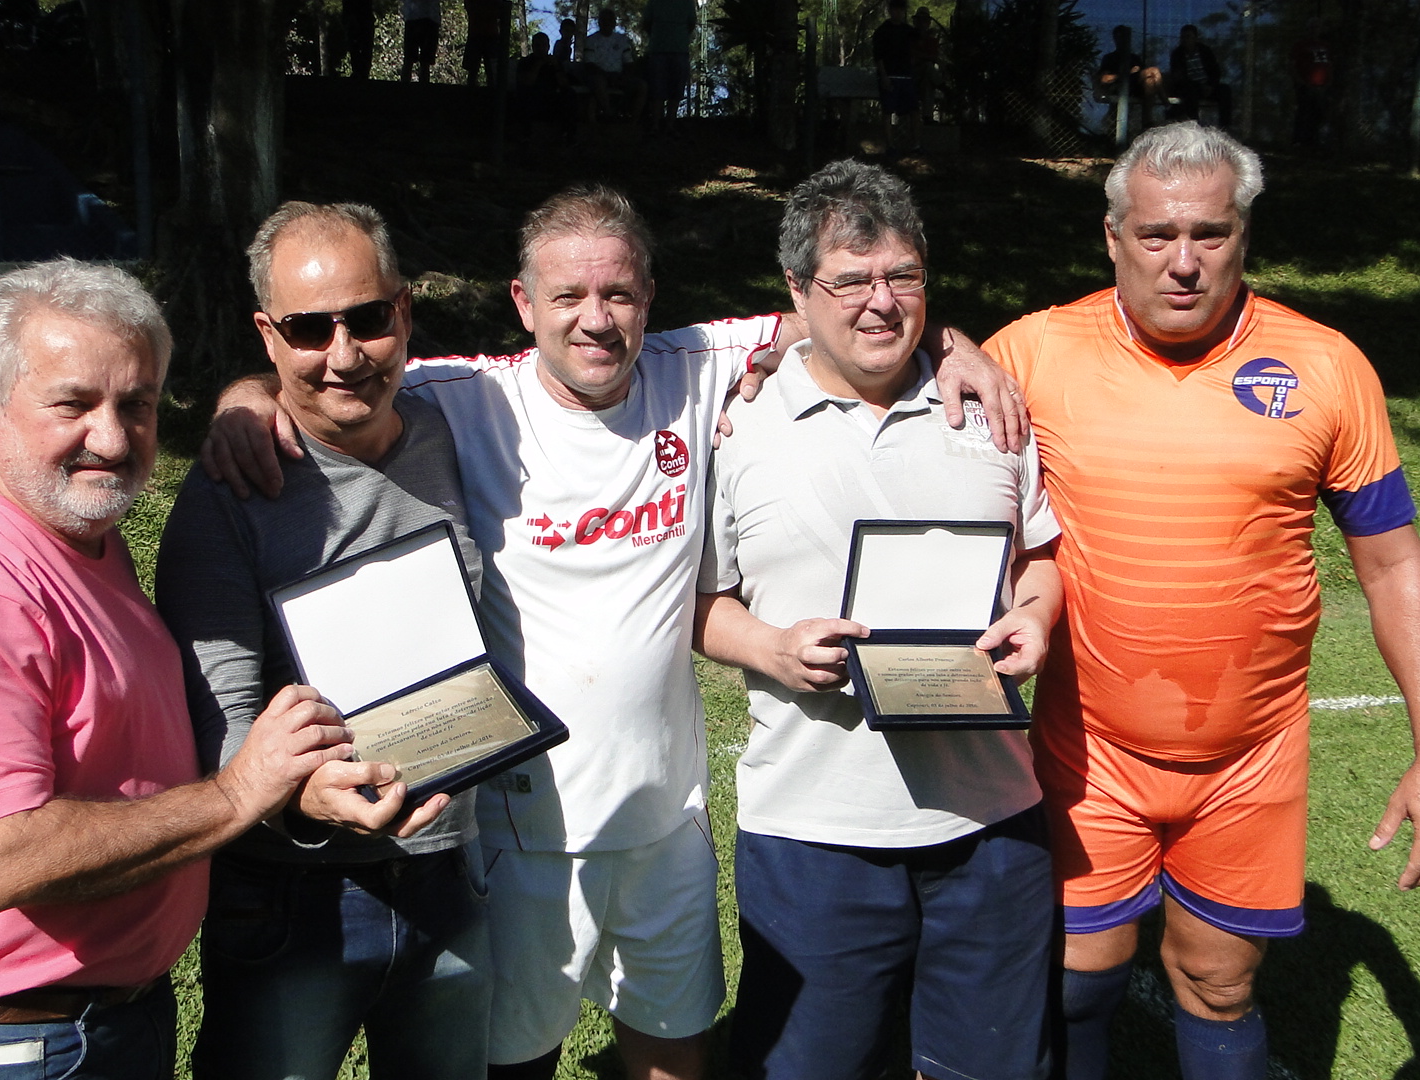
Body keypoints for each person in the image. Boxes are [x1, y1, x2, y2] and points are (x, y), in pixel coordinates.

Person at [198, 184, 1027, 1080]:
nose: (596, 319)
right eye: (567, 296)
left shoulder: (695, 364)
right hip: (524, 829)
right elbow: (337, 379)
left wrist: (953, 343)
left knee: (674, 1049)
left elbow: (843, 310)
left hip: (667, 819)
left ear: (649, 297)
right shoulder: (465, 396)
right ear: (523, 303)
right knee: (518, 1059)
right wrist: (246, 397)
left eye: (619, 294)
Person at [981, 123, 1420, 1080]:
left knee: (1217, 983)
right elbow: (894, 386)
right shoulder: (1032, 353)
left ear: (1244, 234)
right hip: (1089, 748)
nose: (1183, 261)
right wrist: (947, 345)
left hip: (1250, 759)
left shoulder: (1326, 364)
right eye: (1157, 234)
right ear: (1112, 237)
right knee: (1077, 977)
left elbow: (1393, 566)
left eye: (1209, 233)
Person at [0, 259, 403, 1080]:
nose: (111, 437)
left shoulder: (77, 538)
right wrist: (239, 793)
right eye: (73, 404)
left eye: (136, 404)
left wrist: (248, 395)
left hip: (99, 1022)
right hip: (8, 1049)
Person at [696, 159, 1061, 1080]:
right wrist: (773, 649)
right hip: (813, 828)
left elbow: (1040, 561)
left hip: (990, 821)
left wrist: (1035, 618)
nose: (882, 302)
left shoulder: (988, 407)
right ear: (796, 291)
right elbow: (701, 602)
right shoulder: (736, 425)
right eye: (851, 281)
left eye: (903, 276)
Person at [154, 203, 484, 1080]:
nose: (344, 355)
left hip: (447, 873)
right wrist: (305, 800)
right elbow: (215, 726)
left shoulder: (449, 426)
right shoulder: (227, 496)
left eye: (367, 318)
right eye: (308, 329)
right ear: (268, 336)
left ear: (403, 312)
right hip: (296, 898)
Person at [640, 0, 697, 130]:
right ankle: (656, 124)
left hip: (677, 50)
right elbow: (647, 23)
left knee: (675, 90)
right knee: (657, 89)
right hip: (660, 50)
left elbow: (691, 23)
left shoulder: (687, 2)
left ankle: (670, 124)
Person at [1094, 25, 1163, 133]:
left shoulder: (1134, 58)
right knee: (1153, 71)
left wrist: (1138, 75)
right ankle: (1165, 101)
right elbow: (1104, 79)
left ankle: (1148, 119)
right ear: (1115, 39)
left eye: (1125, 38)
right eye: (1119, 37)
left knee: (1152, 76)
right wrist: (1126, 74)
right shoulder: (1110, 58)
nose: (1122, 41)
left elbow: (1143, 76)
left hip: (1135, 87)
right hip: (1118, 88)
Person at [581, 6, 645, 119]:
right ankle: (610, 114)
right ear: (599, 22)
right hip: (599, 76)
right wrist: (607, 76)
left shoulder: (622, 40)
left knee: (642, 86)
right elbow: (589, 64)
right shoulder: (591, 40)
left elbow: (629, 62)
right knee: (598, 82)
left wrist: (623, 76)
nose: (607, 23)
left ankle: (633, 120)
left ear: (614, 23)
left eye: (610, 20)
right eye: (604, 20)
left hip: (619, 76)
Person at [871, 0, 919, 150]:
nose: (898, 12)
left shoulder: (909, 31)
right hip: (890, 76)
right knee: (888, 111)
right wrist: (884, 76)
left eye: (901, 9)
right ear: (890, 10)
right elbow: (878, 56)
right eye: (895, 9)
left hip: (906, 76)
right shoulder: (882, 31)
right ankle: (890, 146)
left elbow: (916, 50)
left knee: (914, 110)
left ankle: (916, 145)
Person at [1167, 24, 1230, 127]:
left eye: (1188, 37)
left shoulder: (1205, 51)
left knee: (1225, 90)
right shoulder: (1177, 54)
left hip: (1207, 86)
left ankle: (1225, 126)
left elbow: (1215, 71)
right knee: (1190, 90)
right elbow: (1178, 77)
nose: (1185, 40)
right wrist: (1198, 86)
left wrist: (1210, 85)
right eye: (1183, 37)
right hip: (1190, 88)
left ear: (1195, 38)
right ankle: (1194, 124)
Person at [1291, 19, 1333, 148]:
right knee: (1305, 111)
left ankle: (1315, 141)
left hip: (1322, 85)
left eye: (1317, 28)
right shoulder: (1301, 45)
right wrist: (1300, 81)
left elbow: (1329, 64)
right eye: (1313, 28)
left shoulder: (1325, 46)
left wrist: (1328, 82)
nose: (1315, 31)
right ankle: (1299, 140)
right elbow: (1293, 64)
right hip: (1306, 84)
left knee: (1319, 113)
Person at [462, 0, 504, 87]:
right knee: (475, 71)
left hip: (486, 35)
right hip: (478, 34)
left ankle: (490, 90)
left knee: (491, 71)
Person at [401, 0, 440, 82]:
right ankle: (422, 87)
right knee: (424, 61)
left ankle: (404, 87)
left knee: (410, 59)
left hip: (413, 17)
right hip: (429, 17)